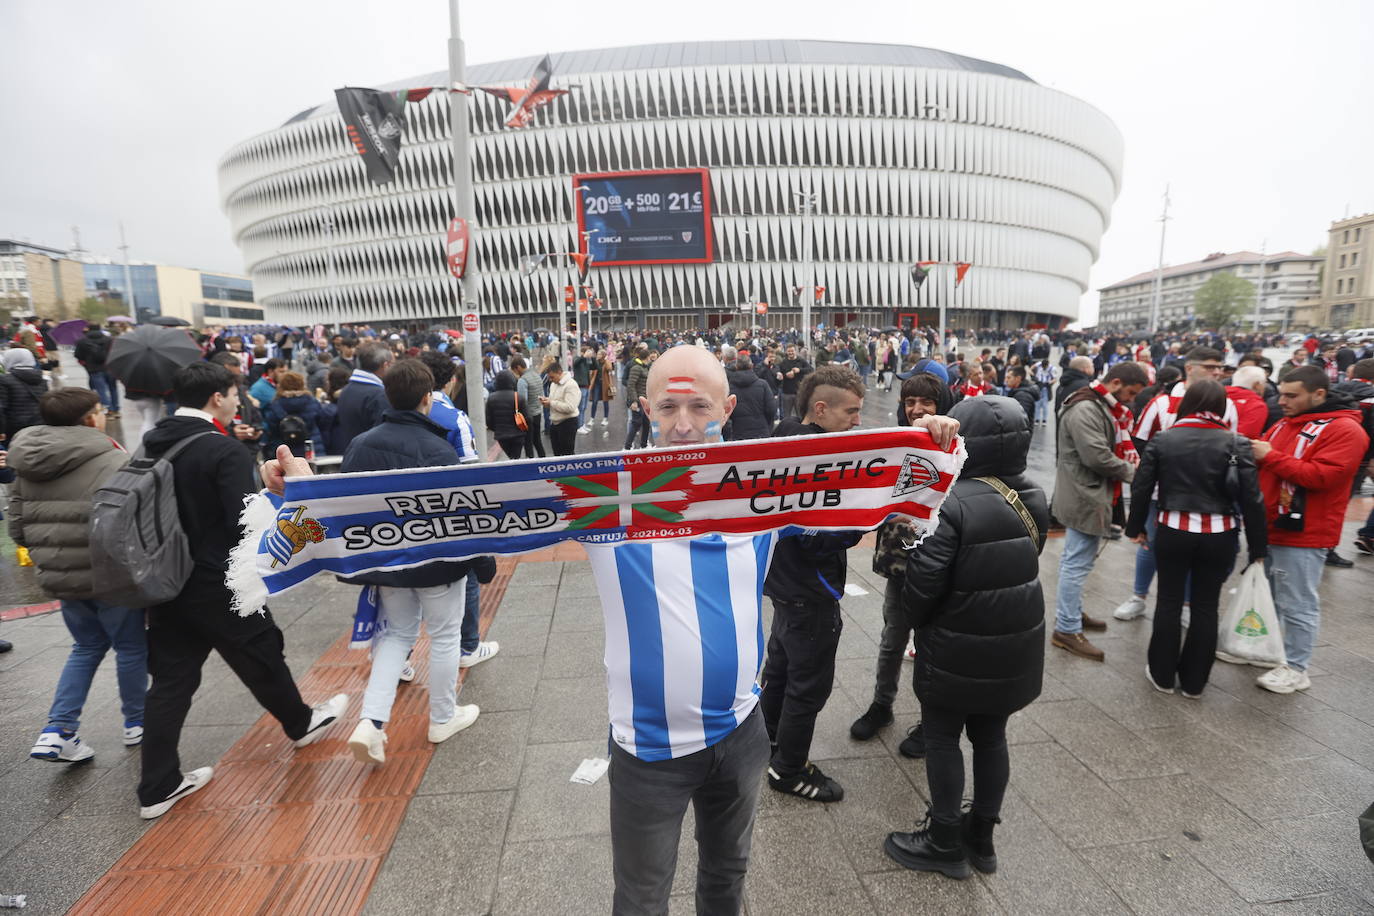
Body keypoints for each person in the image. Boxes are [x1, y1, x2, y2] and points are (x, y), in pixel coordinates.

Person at [136, 362, 347, 819]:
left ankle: (156, 786)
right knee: (261, 651)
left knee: (171, 680)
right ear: (217, 397)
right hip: (220, 580)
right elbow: (243, 522)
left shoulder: (152, 443)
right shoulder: (220, 449)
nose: (237, 401)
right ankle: (300, 722)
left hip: (166, 579)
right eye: (233, 394)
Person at [884, 395, 1047, 879]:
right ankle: (983, 836)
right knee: (992, 736)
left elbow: (921, 592)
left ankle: (943, 840)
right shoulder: (1033, 496)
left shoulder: (950, 504)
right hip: (1015, 646)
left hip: (956, 648)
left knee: (942, 736)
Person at [342, 359, 494, 765]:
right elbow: (465, 514)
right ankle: (443, 717)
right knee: (444, 637)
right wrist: (482, 562)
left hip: (387, 561)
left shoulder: (360, 445)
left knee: (396, 636)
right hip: (438, 564)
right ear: (428, 398)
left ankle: (372, 722)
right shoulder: (438, 449)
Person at [11, 389, 143, 763]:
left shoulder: (27, 461)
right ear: (90, 418)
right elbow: (133, 523)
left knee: (85, 647)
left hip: (60, 576)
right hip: (110, 574)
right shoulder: (114, 459)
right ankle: (137, 721)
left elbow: (18, 528)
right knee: (130, 648)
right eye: (100, 410)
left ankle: (59, 728)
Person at [761, 365, 867, 803]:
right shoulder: (808, 461)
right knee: (809, 686)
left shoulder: (781, 438)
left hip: (783, 586)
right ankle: (788, 770)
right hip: (810, 591)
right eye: (851, 412)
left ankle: (766, 741)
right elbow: (811, 534)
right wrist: (864, 521)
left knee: (781, 670)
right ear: (819, 409)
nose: (857, 421)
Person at [1125, 380, 1267, 697]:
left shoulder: (1164, 439)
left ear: (1187, 403)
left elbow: (1141, 487)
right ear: (1221, 407)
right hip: (1220, 534)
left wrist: (1136, 527)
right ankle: (1194, 682)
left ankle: (1162, 676)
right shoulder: (1237, 442)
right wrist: (1258, 547)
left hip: (1173, 528)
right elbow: (1252, 499)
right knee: (1205, 605)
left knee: (1169, 601)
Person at [850, 362, 952, 755]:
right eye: (910, 401)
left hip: (939, 562)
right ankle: (882, 705)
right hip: (899, 559)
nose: (918, 408)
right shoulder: (894, 440)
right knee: (893, 638)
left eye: (927, 400)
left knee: (933, 643)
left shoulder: (956, 444)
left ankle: (933, 720)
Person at [1250, 366, 1369, 694]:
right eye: (1281, 394)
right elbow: (1266, 459)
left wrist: (1270, 456)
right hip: (1273, 524)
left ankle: (1297, 667)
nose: (1282, 401)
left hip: (1306, 532)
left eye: (1291, 395)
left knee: (1298, 602)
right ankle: (1272, 653)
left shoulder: (1346, 430)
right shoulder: (1286, 422)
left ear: (1318, 395)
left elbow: (1322, 477)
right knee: (1273, 597)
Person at [1113, 348, 1235, 621]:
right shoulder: (1161, 403)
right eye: (1211, 366)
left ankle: (1188, 606)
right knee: (1149, 545)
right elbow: (1140, 444)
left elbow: (1235, 450)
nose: (1217, 371)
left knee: (1195, 552)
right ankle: (1138, 596)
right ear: (1190, 368)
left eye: (1219, 367)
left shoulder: (1228, 404)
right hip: (1161, 494)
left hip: (1208, 498)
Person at [1051, 361, 1147, 661]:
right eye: (1131, 392)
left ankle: (1072, 615)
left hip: (1087, 492)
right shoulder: (1087, 408)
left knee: (1075, 560)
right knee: (1076, 563)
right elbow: (1097, 457)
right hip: (1085, 494)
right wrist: (1136, 472)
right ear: (1116, 382)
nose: (1132, 399)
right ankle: (1066, 628)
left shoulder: (1096, 403)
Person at [334, 342, 393, 453]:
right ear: (385, 365)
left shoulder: (346, 390)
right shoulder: (379, 395)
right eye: (392, 364)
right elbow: (384, 438)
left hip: (352, 456)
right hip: (374, 460)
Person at [262, 371, 326, 458]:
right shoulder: (312, 402)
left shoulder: (275, 405)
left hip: (285, 451)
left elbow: (271, 428)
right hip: (311, 449)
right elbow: (322, 423)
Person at [0, 347, 48, 442]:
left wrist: (1, 430)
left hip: (15, 428)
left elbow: (1, 407)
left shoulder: (4, 380)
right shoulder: (42, 380)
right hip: (40, 425)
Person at [725, 355, 776, 440]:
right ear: (751, 366)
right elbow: (771, 409)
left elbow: (726, 414)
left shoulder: (729, 388)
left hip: (738, 434)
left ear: (736, 367)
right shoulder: (763, 385)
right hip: (761, 433)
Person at [75, 324, 119, 418]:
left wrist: (86, 362)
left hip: (94, 368)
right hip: (110, 367)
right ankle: (116, 409)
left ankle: (108, 409)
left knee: (101, 390)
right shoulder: (110, 339)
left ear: (89, 329)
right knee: (113, 388)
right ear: (100, 329)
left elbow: (78, 355)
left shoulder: (82, 341)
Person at [541, 360, 580, 456]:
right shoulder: (554, 384)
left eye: (552, 377)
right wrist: (547, 402)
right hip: (555, 423)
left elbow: (570, 407)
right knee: (557, 456)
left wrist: (551, 403)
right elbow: (554, 401)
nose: (550, 380)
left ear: (559, 373)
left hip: (568, 423)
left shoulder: (571, 385)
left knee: (567, 455)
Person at [485, 369, 525, 460]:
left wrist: (497, 428)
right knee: (516, 457)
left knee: (511, 456)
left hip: (501, 435)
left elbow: (489, 421)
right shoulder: (518, 397)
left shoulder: (491, 399)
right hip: (518, 434)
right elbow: (528, 418)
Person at [1227, 365, 1272, 439]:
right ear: (1257, 385)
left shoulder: (1215, 395)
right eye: (1264, 383)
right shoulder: (1256, 405)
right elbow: (1248, 436)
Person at [622, 343, 651, 450]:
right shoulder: (636, 368)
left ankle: (644, 445)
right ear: (647, 357)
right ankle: (627, 447)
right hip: (637, 400)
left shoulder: (645, 367)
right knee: (636, 423)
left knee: (646, 422)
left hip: (645, 400)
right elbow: (630, 385)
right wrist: (634, 401)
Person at [778, 343, 811, 420]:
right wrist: (785, 375)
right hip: (787, 393)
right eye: (789, 351)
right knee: (786, 417)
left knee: (801, 415)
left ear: (795, 351)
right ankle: (788, 431)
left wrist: (799, 370)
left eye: (792, 351)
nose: (790, 353)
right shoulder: (783, 362)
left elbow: (810, 370)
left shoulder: (801, 360)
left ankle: (802, 430)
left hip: (799, 392)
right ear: (786, 352)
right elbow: (780, 373)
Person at [587, 348, 616, 426]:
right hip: (596, 383)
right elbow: (590, 370)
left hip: (605, 384)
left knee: (605, 401)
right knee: (594, 401)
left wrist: (606, 360)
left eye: (600, 354)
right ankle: (592, 419)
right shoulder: (595, 362)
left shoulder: (606, 362)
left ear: (603, 355)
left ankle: (605, 418)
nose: (598, 355)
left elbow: (609, 368)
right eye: (598, 354)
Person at [573, 345, 597, 433]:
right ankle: (579, 426)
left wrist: (593, 357)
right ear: (583, 352)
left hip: (586, 386)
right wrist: (584, 356)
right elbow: (576, 363)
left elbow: (595, 367)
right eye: (587, 351)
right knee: (580, 407)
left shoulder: (587, 360)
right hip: (580, 386)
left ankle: (582, 424)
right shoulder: (577, 358)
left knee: (584, 407)